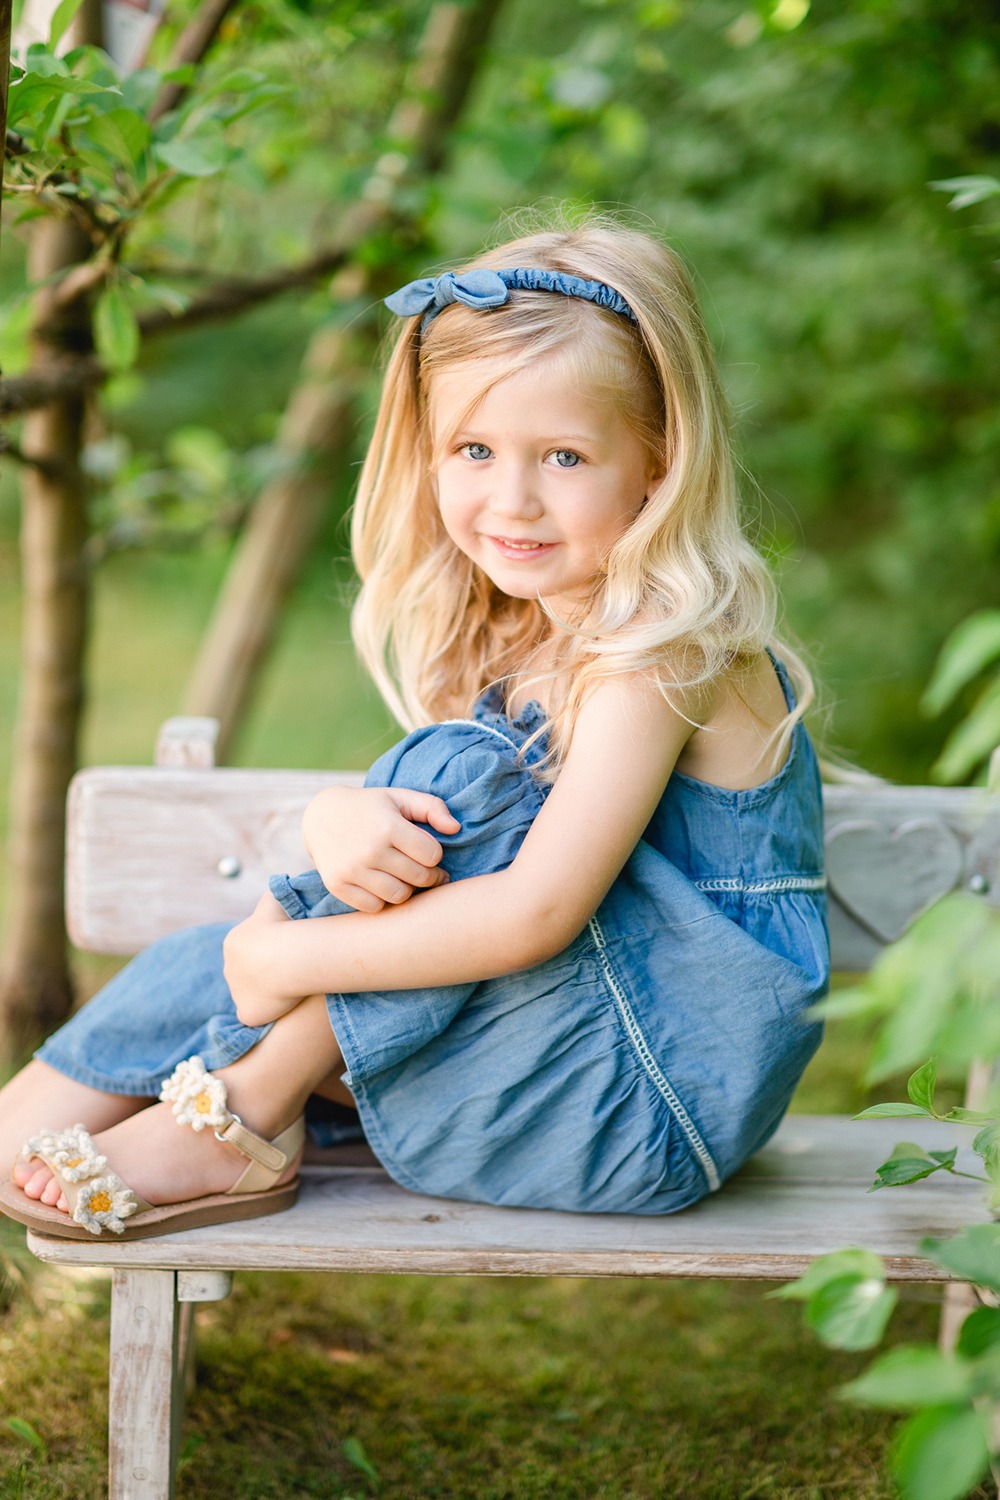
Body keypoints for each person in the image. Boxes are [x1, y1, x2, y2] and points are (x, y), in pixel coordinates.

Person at [0, 215, 829, 1241]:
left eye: (564, 456)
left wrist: (284, 964)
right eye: (473, 449)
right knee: (212, 952)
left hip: (654, 1097)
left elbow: (532, 915)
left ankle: (241, 1114)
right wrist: (332, 819)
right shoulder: (529, 636)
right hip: (554, 1056)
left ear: (659, 464)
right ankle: (43, 1127)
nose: (511, 499)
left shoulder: (661, 650)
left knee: (448, 793)